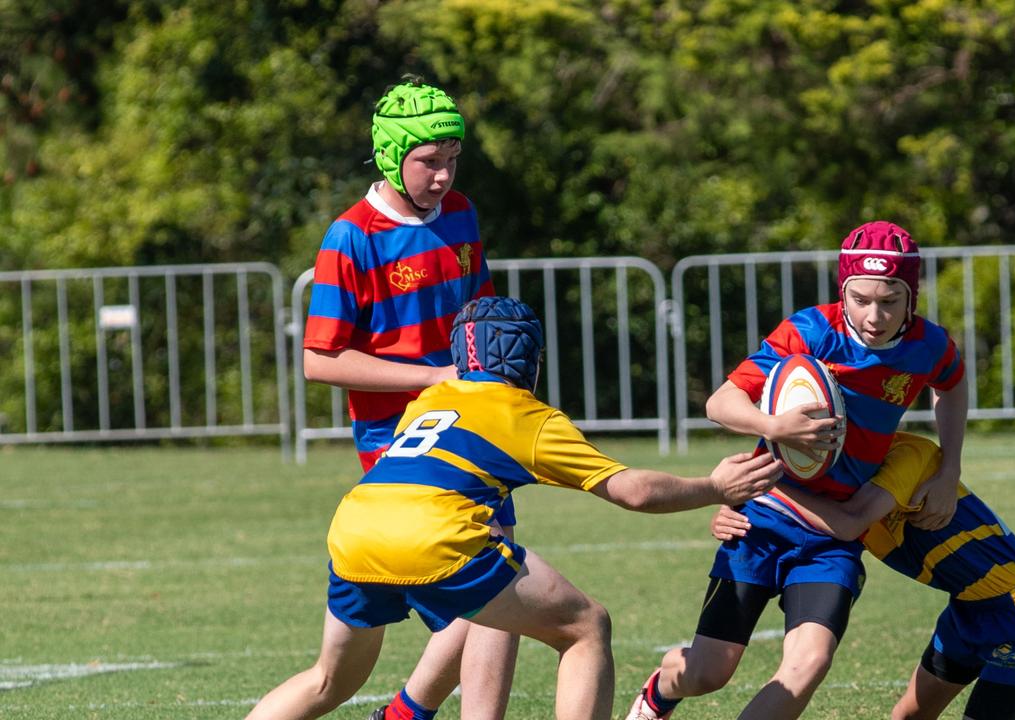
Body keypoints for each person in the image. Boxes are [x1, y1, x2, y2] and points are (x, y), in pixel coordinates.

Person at [248, 296, 784, 720]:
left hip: (354, 526)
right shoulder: (529, 416)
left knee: (328, 681)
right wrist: (715, 487)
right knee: (585, 626)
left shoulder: (431, 399)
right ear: (531, 360)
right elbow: (632, 490)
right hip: (429, 534)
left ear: (462, 355)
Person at [626, 221, 969, 720]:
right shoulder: (811, 331)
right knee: (708, 671)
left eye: (890, 300)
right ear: (843, 291)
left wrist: (949, 468)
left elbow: (952, 386)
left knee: (809, 664)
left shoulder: (927, 345)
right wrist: (775, 425)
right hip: (762, 518)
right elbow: (719, 403)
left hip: (832, 536)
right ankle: (660, 693)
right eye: (862, 299)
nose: (875, 315)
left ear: (910, 296)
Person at [300, 79, 516, 719]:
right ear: (392, 158)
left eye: (453, 158)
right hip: (396, 445)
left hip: (470, 427)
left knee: (498, 599)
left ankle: (404, 713)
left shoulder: (461, 215)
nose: (444, 174)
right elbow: (320, 359)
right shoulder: (352, 236)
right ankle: (406, 713)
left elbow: (480, 316)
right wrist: (430, 378)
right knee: (493, 599)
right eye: (429, 161)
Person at [711, 432, 1015, 720]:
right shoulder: (832, 492)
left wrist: (770, 483)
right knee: (908, 716)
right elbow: (787, 526)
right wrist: (732, 507)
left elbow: (849, 523)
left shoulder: (905, 455)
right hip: (965, 611)